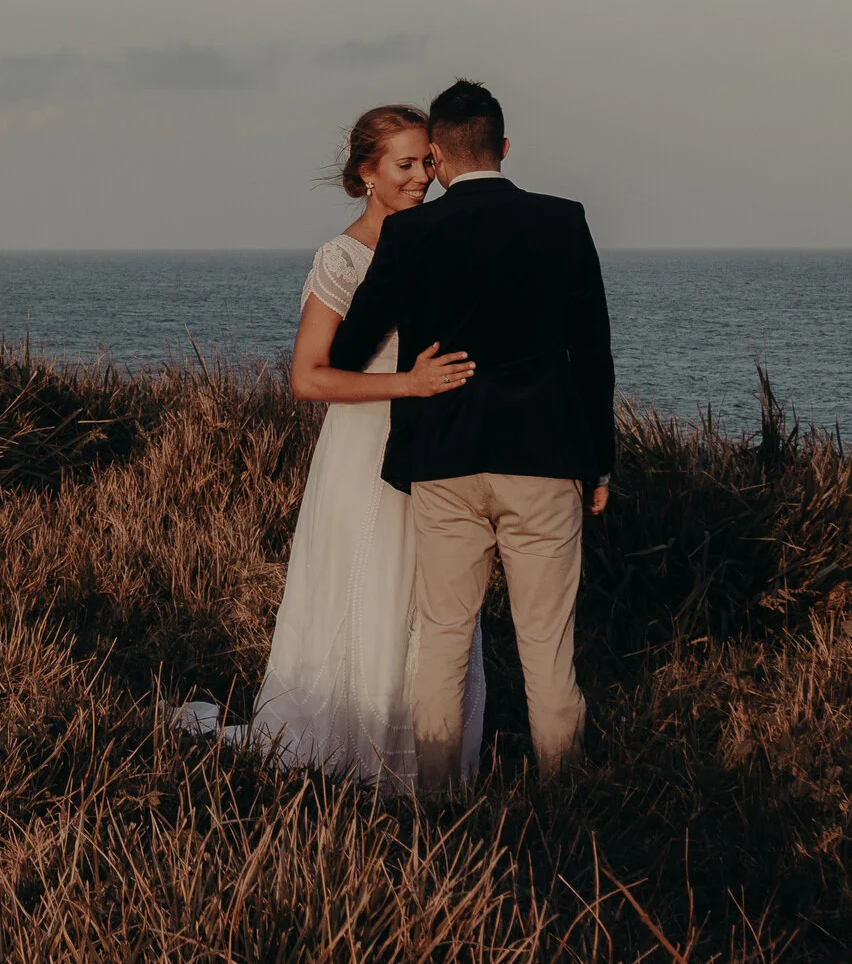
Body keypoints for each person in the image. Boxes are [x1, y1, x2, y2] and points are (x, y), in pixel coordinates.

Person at [331, 80, 615, 794]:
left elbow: (348, 350)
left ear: (437, 155)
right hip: (543, 462)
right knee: (547, 646)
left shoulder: (410, 234)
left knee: (443, 640)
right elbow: (593, 353)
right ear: (505, 147)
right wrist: (599, 464)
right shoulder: (563, 221)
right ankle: (564, 803)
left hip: (445, 462)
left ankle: (435, 803)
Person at [234, 104, 486, 794]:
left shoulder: (439, 246)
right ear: (367, 172)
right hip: (362, 452)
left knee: (431, 600)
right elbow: (307, 377)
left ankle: (432, 760)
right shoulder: (342, 257)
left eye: (428, 162)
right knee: (369, 589)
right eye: (405, 164)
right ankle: (358, 752)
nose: (422, 177)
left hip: (435, 456)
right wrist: (409, 383)